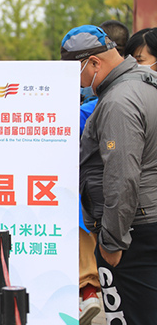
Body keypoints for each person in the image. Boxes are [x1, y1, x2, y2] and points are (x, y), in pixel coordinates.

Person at [61, 24, 157, 324]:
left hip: (133, 230)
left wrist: (112, 242)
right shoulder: (147, 84)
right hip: (146, 218)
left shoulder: (118, 101)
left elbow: (121, 176)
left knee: (131, 315)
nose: (78, 85)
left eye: (76, 74)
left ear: (93, 63)